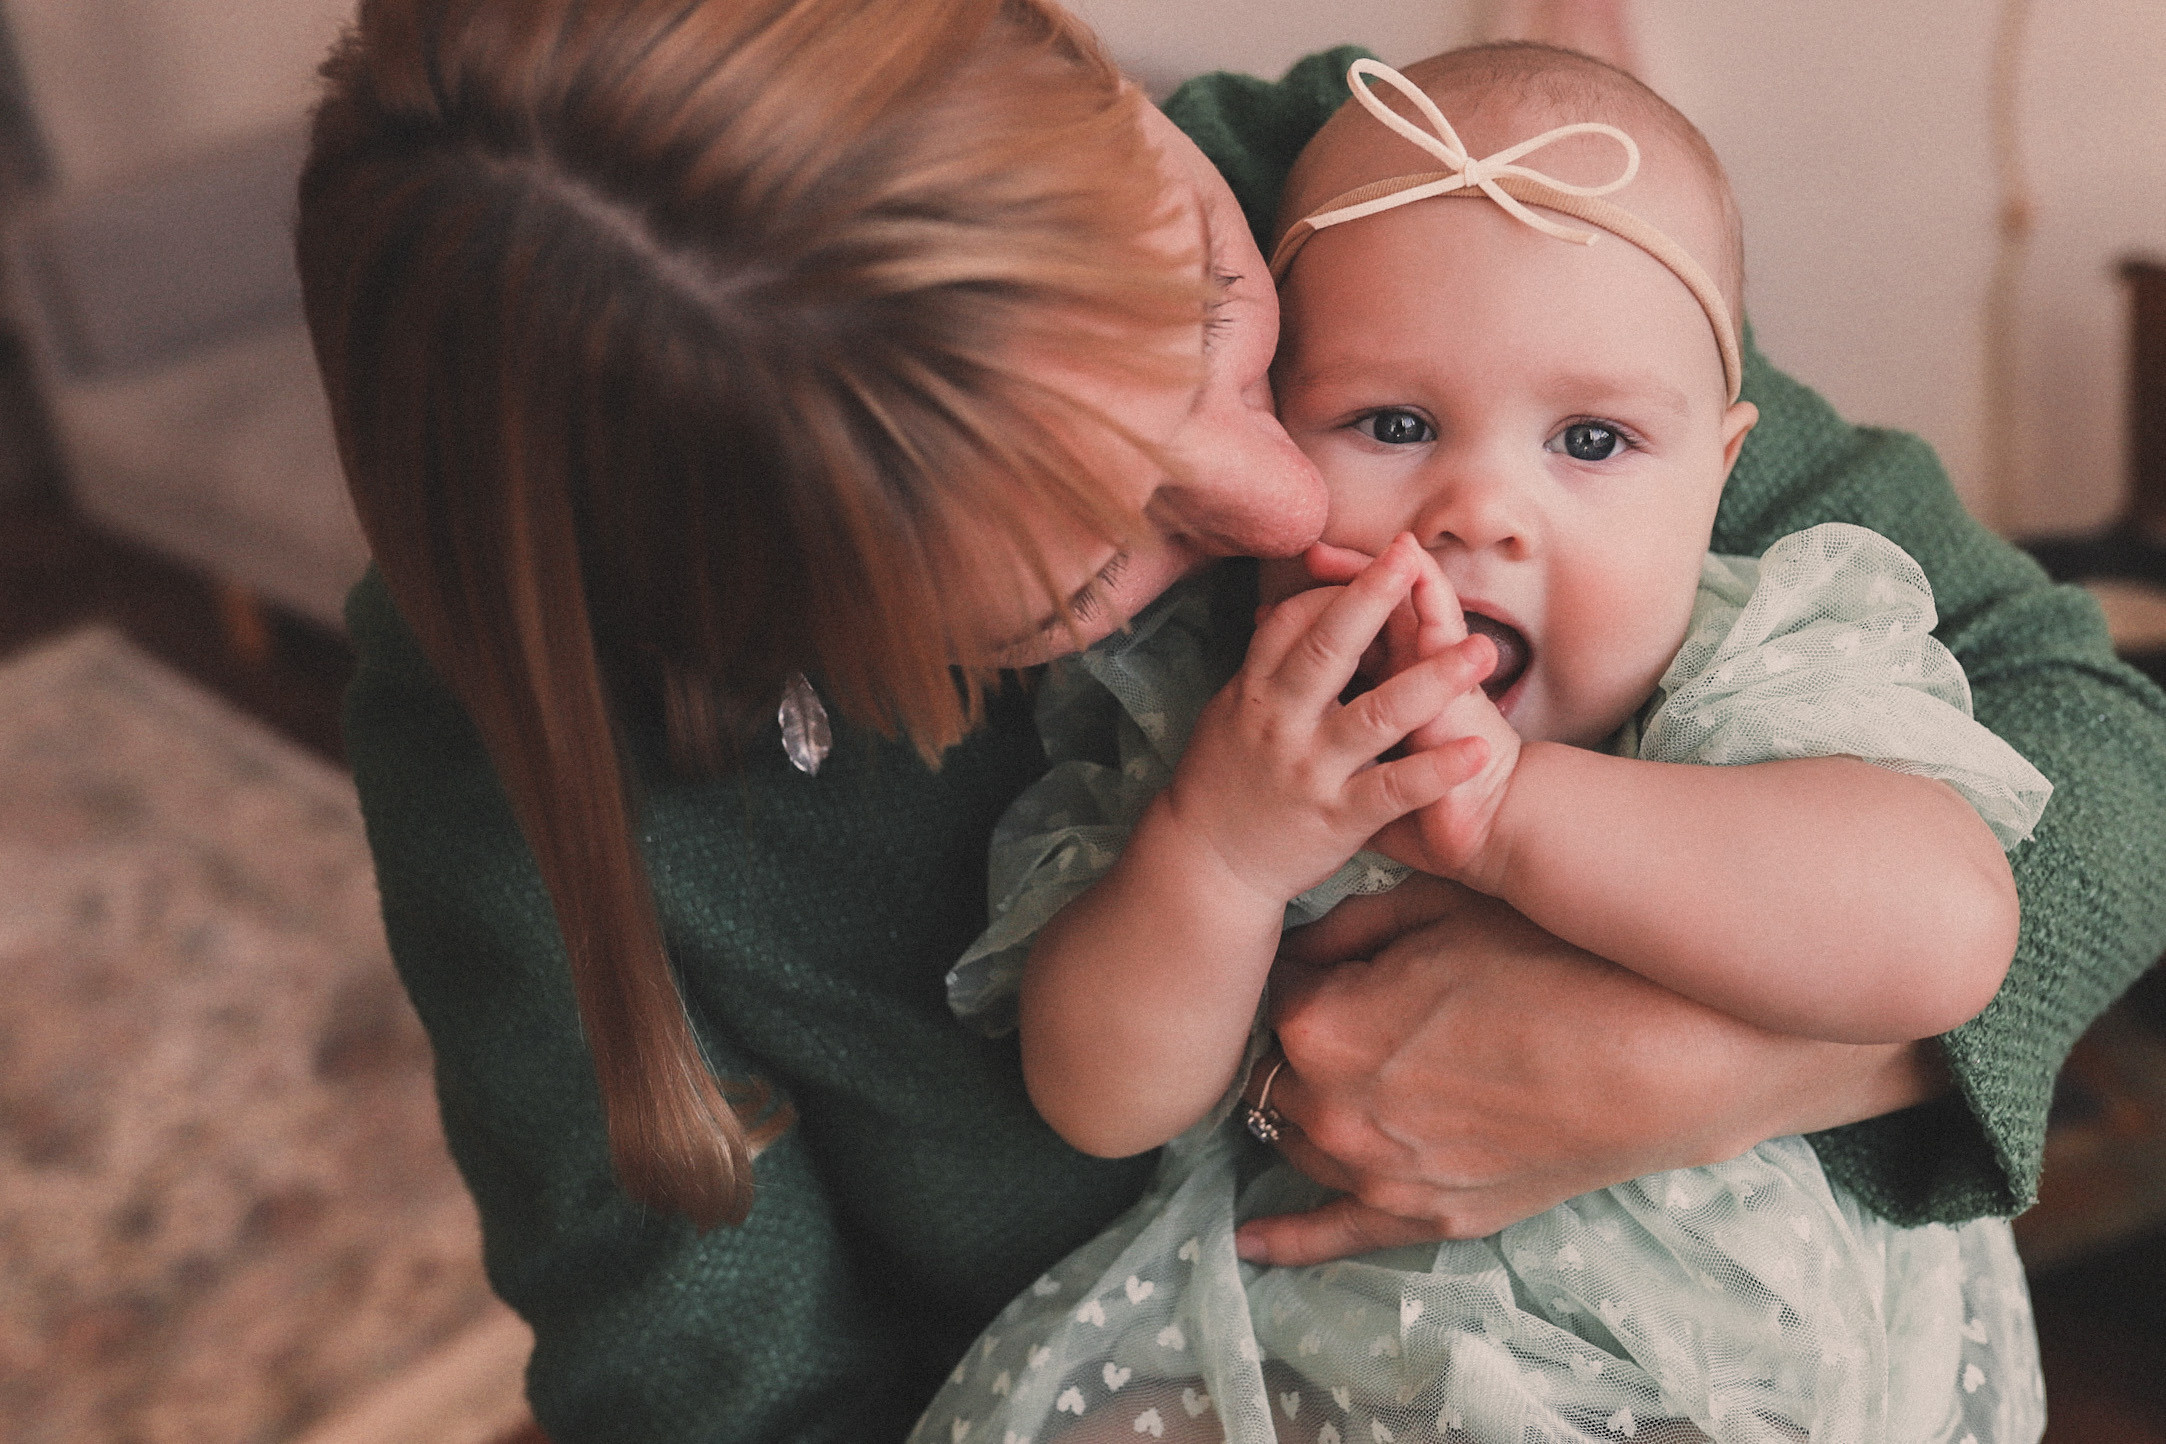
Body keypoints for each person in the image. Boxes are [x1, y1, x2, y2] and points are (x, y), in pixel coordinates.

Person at [299, 1, 2166, 1440]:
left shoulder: (1423, 193)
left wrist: (1697, 1078)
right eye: (1073, 581)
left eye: (1207, 293)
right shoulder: (531, 757)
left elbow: (2099, 752)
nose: (1293, 511)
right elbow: (728, 1396)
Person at [913, 47, 2053, 1444]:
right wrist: (1213, 853)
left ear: (1720, 472)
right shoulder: (1242, 722)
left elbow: (1943, 938)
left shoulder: (1747, 669)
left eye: (1589, 438)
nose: (1482, 510)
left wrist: (1514, 811)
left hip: (1730, 1358)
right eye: (1391, 423)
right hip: (1326, 1351)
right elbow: (1100, 1101)